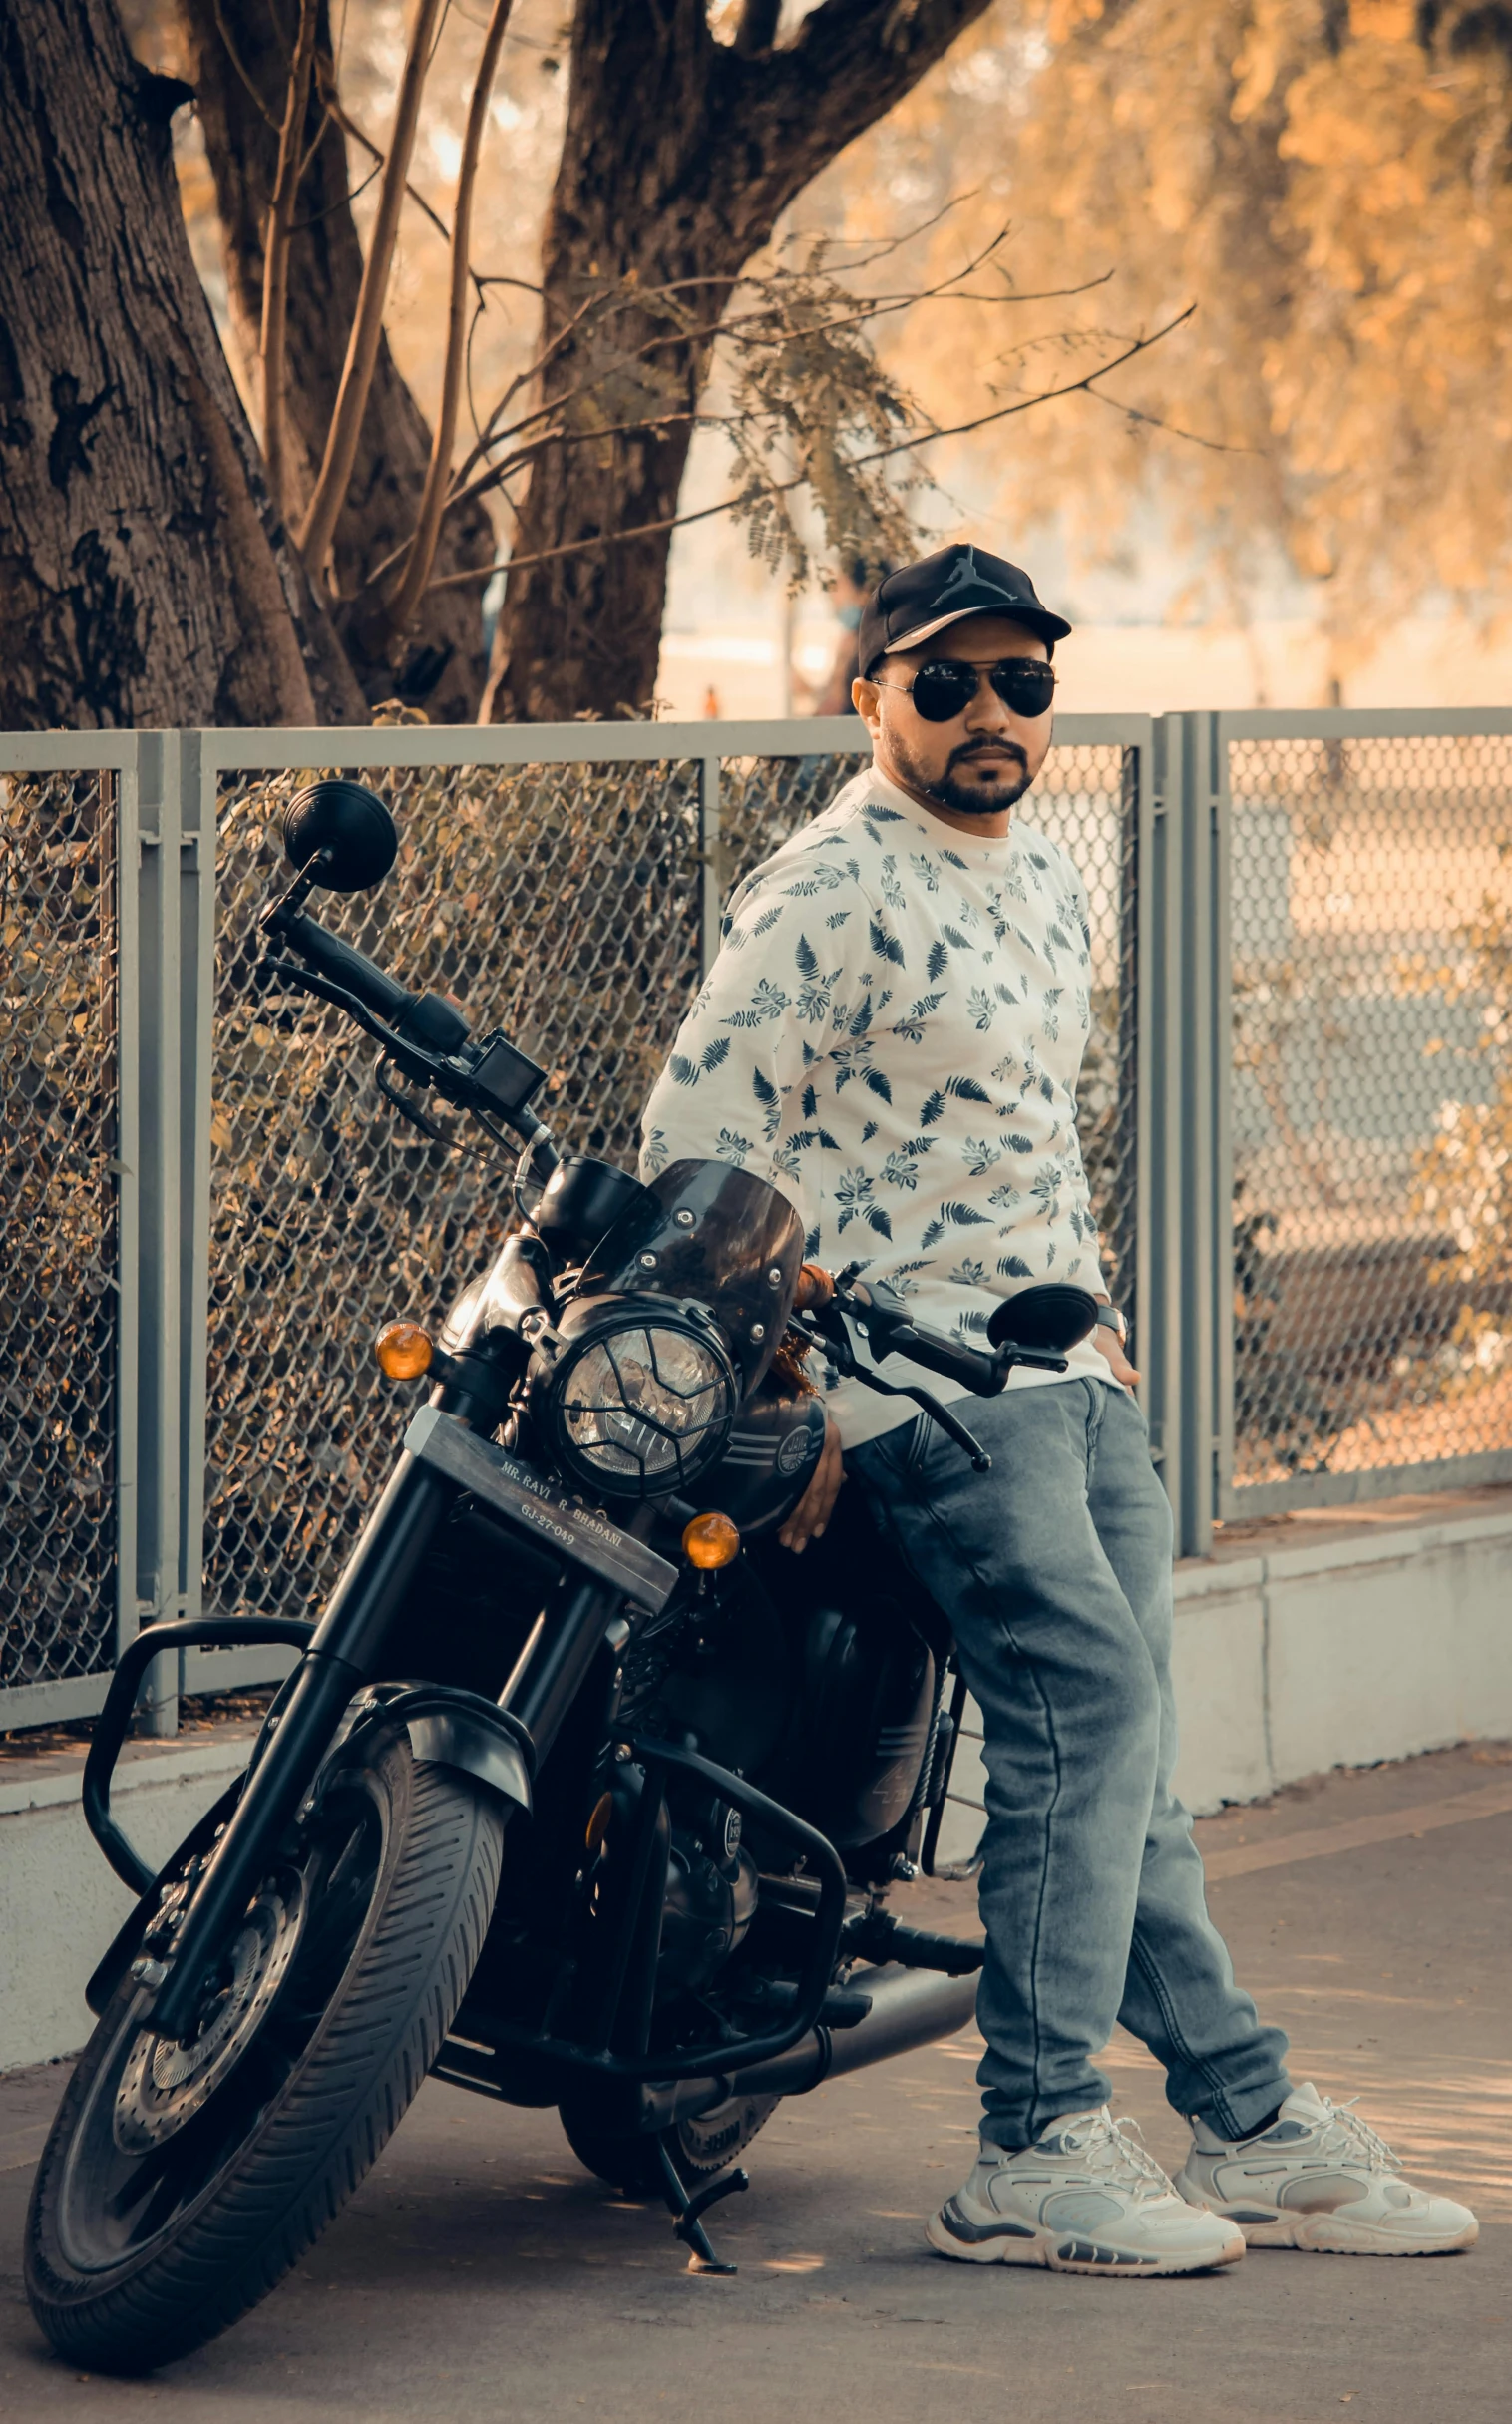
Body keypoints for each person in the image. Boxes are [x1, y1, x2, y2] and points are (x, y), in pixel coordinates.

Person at [640, 543, 1479, 2276]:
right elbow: (700, 1145)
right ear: (870, 691)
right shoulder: (821, 888)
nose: (990, 713)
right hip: (916, 1382)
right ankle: (1033, 2141)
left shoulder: (1048, 881)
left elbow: (1024, 1134)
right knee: (1087, 1703)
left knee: (1131, 1764)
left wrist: (1101, 1327)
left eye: (1022, 681)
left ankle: (1241, 2119)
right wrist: (786, 1380)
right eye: (944, 682)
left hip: (1069, 1372)